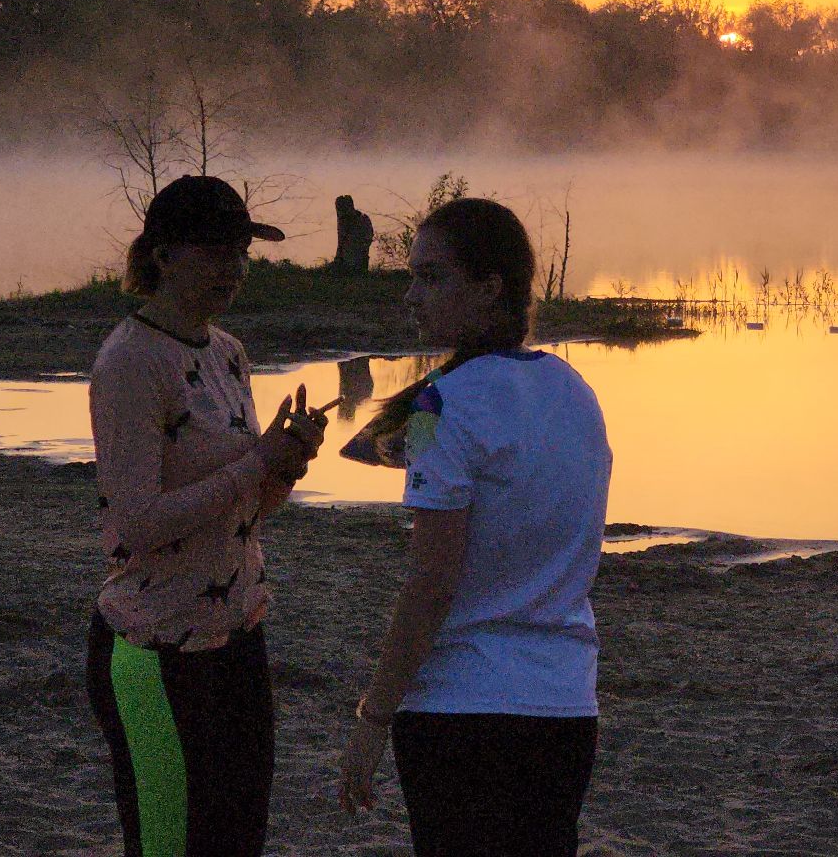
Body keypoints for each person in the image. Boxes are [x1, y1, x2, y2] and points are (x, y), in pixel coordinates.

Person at [337, 197, 612, 857]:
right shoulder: (575, 390)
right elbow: (394, 449)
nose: (412, 296)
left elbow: (432, 582)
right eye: (412, 276)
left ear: (490, 289)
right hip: (564, 708)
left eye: (432, 277)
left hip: (463, 710)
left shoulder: (438, 402)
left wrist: (374, 714)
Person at [85, 175, 327, 857]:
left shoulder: (227, 353)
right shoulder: (130, 362)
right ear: (163, 257)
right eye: (218, 252)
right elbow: (135, 523)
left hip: (237, 637)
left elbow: (247, 511)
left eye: (242, 253)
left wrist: (284, 465)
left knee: (236, 843)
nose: (236, 269)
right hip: (156, 651)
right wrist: (255, 464)